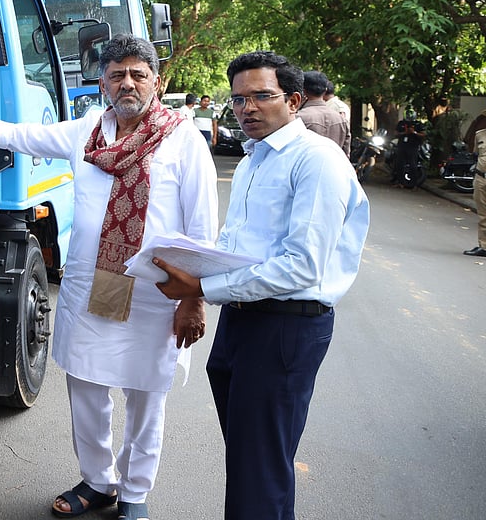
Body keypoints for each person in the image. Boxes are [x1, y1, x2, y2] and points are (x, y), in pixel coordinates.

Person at [0, 35, 217, 520]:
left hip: (157, 292)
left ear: (156, 79)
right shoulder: (87, 131)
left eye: (137, 73)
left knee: (145, 398)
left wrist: (194, 299)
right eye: (116, 74)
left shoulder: (183, 139)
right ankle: (98, 482)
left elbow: (202, 225)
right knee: (87, 390)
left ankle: (134, 493)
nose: (127, 82)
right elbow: (23, 136)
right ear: (103, 82)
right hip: (92, 286)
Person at [152, 50, 370, 520]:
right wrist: (196, 276)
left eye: (261, 97)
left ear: (293, 100)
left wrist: (200, 290)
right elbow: (237, 241)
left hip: (284, 328)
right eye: (237, 100)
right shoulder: (256, 160)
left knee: (260, 468)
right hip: (242, 322)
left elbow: (301, 267)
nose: (246, 108)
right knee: (255, 464)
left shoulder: (316, 160)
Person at [297, 70, 350, 156]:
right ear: (325, 90)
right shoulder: (341, 120)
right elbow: (346, 154)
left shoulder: (297, 118)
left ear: (303, 90)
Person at [464, 126, 486, 257]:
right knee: (483, 214)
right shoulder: (480, 135)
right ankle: (484, 246)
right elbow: (475, 154)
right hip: (481, 178)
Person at [390, 115, 426, 188]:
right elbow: (395, 134)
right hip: (402, 146)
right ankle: (400, 182)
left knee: (413, 165)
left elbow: (423, 134)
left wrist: (414, 132)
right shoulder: (401, 123)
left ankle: (414, 184)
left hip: (413, 147)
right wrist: (404, 133)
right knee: (399, 165)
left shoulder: (418, 124)